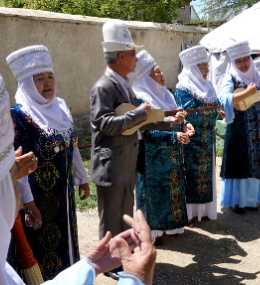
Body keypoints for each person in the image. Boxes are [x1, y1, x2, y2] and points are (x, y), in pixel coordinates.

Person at [6, 45, 90, 280]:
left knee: (66, 241)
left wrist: (82, 179)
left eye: (50, 76)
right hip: (38, 200)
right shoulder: (20, 117)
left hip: (63, 197)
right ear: (26, 84)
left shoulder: (61, 108)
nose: (47, 83)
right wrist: (29, 203)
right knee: (42, 249)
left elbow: (71, 146)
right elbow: (18, 164)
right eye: (38, 79)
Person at [131, 50, 191, 241]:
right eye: (156, 72)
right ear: (145, 75)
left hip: (170, 155)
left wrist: (185, 126)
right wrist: (174, 134)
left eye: (160, 70)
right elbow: (145, 131)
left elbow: (173, 120)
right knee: (151, 195)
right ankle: (151, 233)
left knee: (170, 191)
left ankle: (169, 227)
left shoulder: (167, 95)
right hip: (150, 157)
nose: (162, 74)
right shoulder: (141, 99)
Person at [174, 45, 220, 223]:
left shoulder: (208, 86)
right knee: (191, 176)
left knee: (206, 176)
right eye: (203, 66)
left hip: (208, 140)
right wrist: (211, 112)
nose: (207, 69)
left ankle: (205, 211)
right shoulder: (183, 88)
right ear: (193, 68)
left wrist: (216, 111)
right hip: (191, 142)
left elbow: (213, 109)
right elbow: (189, 114)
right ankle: (192, 214)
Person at [219, 41, 260, 214]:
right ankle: (238, 202)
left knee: (256, 164)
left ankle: (253, 200)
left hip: (257, 128)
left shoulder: (257, 76)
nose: (243, 64)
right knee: (239, 163)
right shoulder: (231, 77)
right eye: (239, 61)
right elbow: (224, 98)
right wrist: (246, 93)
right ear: (233, 63)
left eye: (246, 60)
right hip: (239, 129)